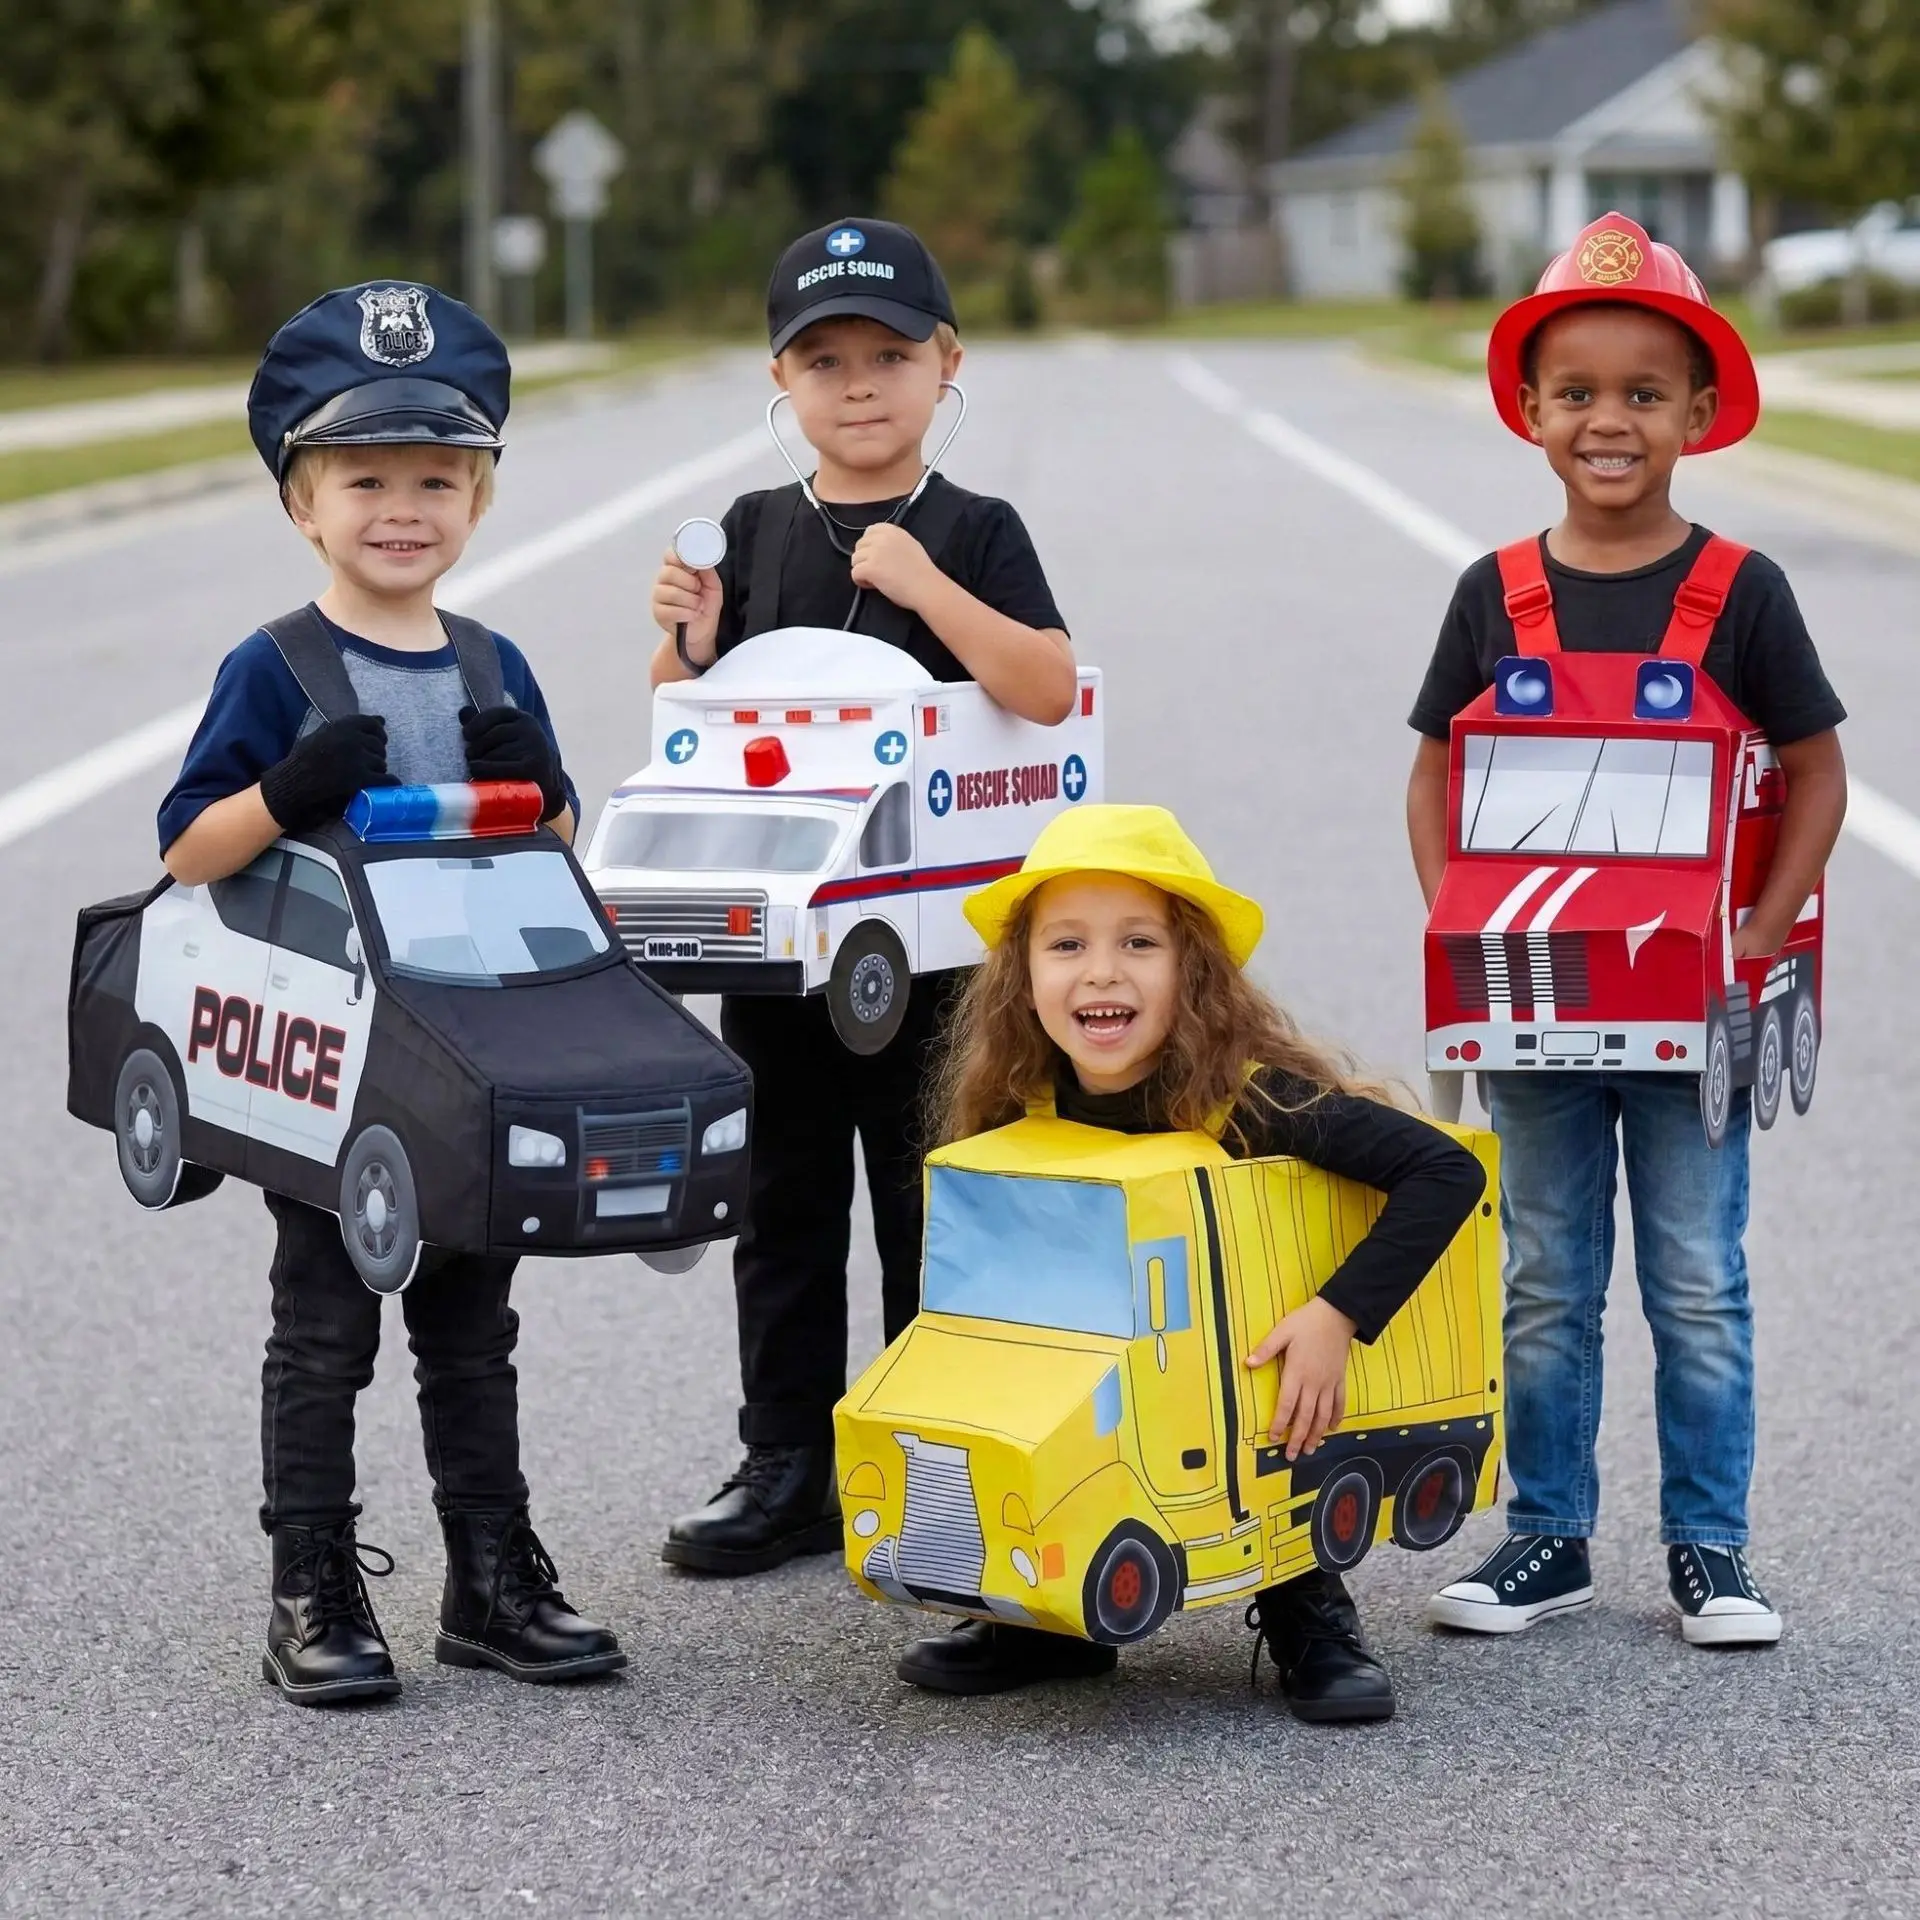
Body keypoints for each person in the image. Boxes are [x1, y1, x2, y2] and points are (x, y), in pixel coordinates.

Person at [157, 281, 624, 1704]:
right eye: (364, 478)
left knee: (472, 1329)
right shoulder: (275, 667)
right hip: (331, 1054)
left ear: (478, 499)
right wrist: (286, 791)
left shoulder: (495, 662)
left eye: (437, 478)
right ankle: (311, 1591)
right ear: (303, 502)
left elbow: (556, 861)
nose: (401, 507)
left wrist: (539, 790)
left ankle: (489, 1583)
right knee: (324, 1321)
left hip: (475, 1048)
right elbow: (188, 848)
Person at [1406, 214, 1848, 1647]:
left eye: (1644, 393)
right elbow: (1434, 770)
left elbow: (1820, 768)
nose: (1610, 420)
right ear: (1532, 410)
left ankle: (1711, 1547)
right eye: (1579, 391)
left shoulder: (1744, 595)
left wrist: (1759, 938)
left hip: (1691, 1014)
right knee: (1544, 1279)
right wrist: (1458, 925)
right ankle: (1549, 1536)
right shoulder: (1494, 593)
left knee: (1696, 1282)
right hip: (1533, 1004)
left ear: (1699, 415)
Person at [649, 219, 1078, 1576]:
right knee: (779, 1208)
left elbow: (1047, 689)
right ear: (781, 381)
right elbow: (683, 729)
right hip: (786, 948)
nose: (858, 385)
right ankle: (787, 1463)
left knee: (925, 1207)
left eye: (889, 355)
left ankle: (926, 1456)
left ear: (945, 362)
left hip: (937, 959)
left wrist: (922, 581)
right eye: (822, 358)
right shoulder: (756, 536)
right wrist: (684, 643)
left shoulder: (977, 531)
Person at [891, 804, 1486, 1719]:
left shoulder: (1246, 1101)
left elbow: (1442, 1171)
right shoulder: (1020, 1107)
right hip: (1107, 1381)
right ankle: (1048, 1624)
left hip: (1245, 1375)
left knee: (1270, 1450)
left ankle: (1306, 1607)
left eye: (1139, 943)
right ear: (1022, 978)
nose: (1102, 971)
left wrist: (1337, 1315)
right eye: (1066, 946)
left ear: (1191, 973)